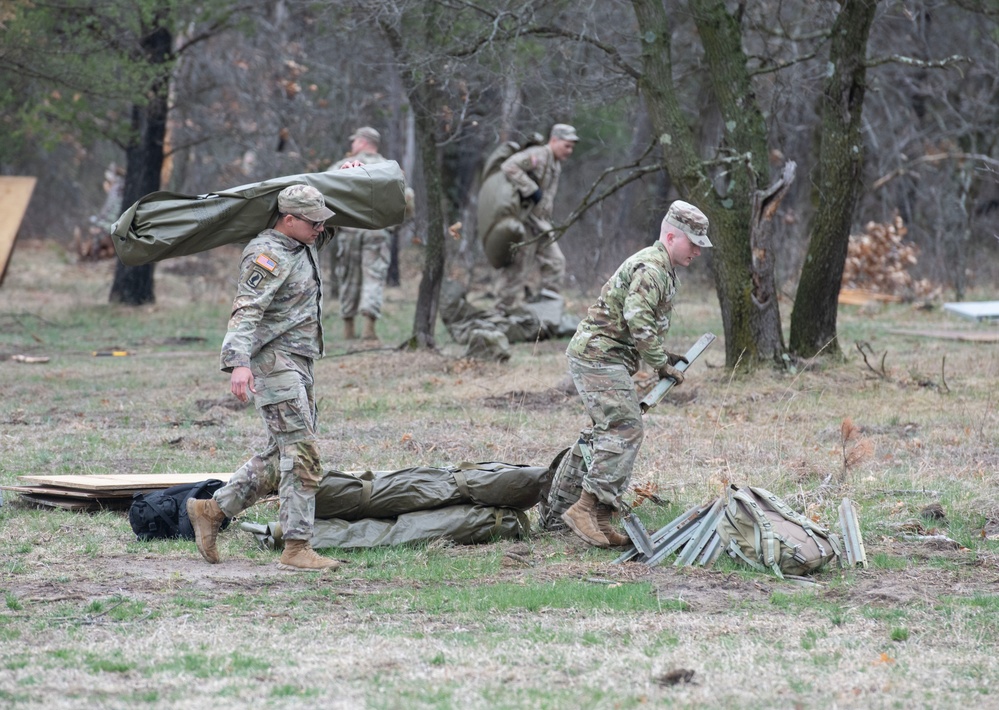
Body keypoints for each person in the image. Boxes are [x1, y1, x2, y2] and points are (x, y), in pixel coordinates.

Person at [187, 183, 349, 570]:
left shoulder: (304, 243)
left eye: (322, 223)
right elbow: (246, 309)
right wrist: (237, 361)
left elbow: (331, 224)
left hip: (300, 361)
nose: (321, 229)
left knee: (282, 455)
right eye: (313, 223)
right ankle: (296, 548)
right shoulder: (266, 254)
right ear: (288, 220)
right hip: (273, 363)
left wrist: (350, 175)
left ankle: (213, 509)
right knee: (303, 453)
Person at [561, 200, 712, 548]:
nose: (698, 252)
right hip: (597, 357)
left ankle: (600, 516)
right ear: (672, 237)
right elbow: (637, 318)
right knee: (624, 428)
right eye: (693, 244)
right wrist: (660, 363)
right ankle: (584, 508)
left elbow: (641, 322)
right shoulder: (653, 268)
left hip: (607, 357)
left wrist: (663, 354)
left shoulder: (662, 266)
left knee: (621, 429)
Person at [494, 123, 579, 308]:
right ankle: (502, 311)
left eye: (572, 147)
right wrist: (531, 189)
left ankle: (546, 311)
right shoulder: (538, 155)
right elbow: (509, 166)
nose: (570, 150)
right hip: (524, 222)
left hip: (541, 224)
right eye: (567, 145)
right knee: (518, 268)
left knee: (555, 263)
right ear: (554, 140)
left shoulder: (555, 162)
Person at [329, 126, 393, 341]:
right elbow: (407, 200)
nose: (352, 146)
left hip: (350, 232)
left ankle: (348, 328)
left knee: (348, 278)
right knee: (374, 277)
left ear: (363, 142)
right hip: (377, 231)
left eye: (354, 141)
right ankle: (369, 328)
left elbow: (324, 190)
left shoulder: (341, 166)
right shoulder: (389, 168)